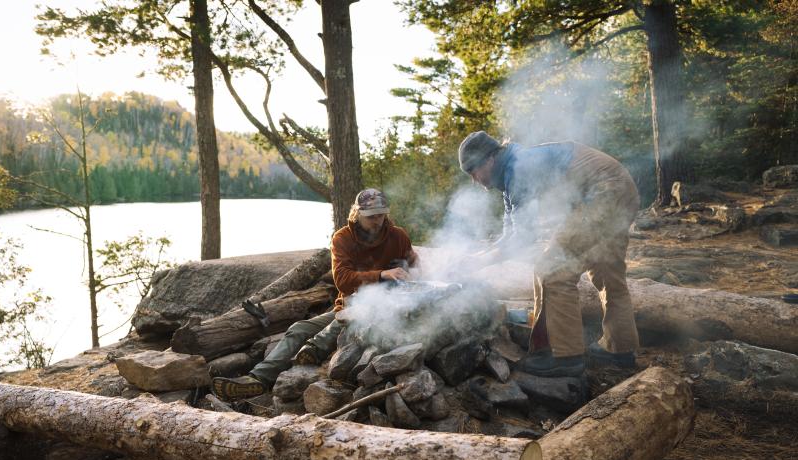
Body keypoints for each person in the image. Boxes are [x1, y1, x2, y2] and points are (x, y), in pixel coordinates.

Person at [458, 131, 640, 377]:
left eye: (473, 171)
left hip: (603, 192)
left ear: (489, 159)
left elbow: (524, 237)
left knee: (552, 270)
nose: (474, 180)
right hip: (621, 188)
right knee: (608, 272)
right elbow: (511, 231)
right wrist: (479, 258)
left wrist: (483, 262)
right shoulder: (513, 167)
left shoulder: (518, 168)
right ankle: (620, 348)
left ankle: (565, 357)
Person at [212, 188, 419, 401]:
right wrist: (382, 274)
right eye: (371, 217)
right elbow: (343, 280)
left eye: (381, 215)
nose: (377, 221)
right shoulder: (343, 239)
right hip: (349, 305)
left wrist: (411, 270)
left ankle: (315, 349)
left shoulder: (398, 236)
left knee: (349, 318)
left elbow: (415, 265)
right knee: (299, 328)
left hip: (384, 310)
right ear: (358, 214)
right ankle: (257, 379)